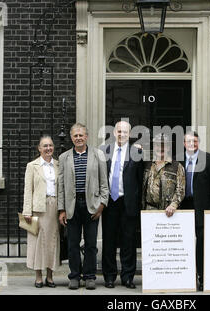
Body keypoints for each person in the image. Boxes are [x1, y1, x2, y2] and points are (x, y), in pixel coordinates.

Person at [58, 123, 109, 290]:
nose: (78, 138)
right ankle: (74, 276)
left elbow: (104, 183)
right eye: (75, 135)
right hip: (72, 206)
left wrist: (102, 204)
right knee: (72, 243)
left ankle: (89, 276)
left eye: (81, 135)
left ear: (87, 136)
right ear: (71, 138)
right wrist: (62, 209)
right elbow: (61, 186)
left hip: (91, 205)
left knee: (91, 244)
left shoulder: (98, 155)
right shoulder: (64, 157)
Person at [100, 121, 143, 289]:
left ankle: (127, 276)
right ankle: (109, 276)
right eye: (119, 131)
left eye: (125, 132)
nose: (121, 134)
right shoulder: (105, 151)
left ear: (130, 133)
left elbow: (140, 180)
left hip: (128, 202)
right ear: (114, 132)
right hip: (110, 202)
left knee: (129, 241)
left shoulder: (137, 152)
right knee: (108, 241)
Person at [180, 131, 210, 291]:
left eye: (194, 141)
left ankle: (202, 278)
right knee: (184, 245)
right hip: (182, 208)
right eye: (188, 141)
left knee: (201, 245)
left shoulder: (209, 160)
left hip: (202, 209)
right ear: (184, 143)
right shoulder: (177, 160)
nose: (191, 144)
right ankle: (186, 278)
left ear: (198, 143)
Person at [22, 135, 60, 288]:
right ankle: (38, 276)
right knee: (37, 242)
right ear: (39, 148)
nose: (48, 148)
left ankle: (50, 276)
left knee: (52, 241)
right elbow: (28, 190)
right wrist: (27, 211)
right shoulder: (32, 166)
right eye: (45, 146)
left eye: (50, 145)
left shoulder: (58, 165)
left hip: (54, 207)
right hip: (38, 207)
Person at [142, 133, 185, 217]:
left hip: (169, 212)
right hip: (148, 211)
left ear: (168, 147)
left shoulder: (177, 166)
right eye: (157, 145)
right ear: (154, 147)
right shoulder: (147, 164)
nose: (160, 148)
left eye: (163, 145)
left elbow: (180, 190)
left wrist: (173, 205)